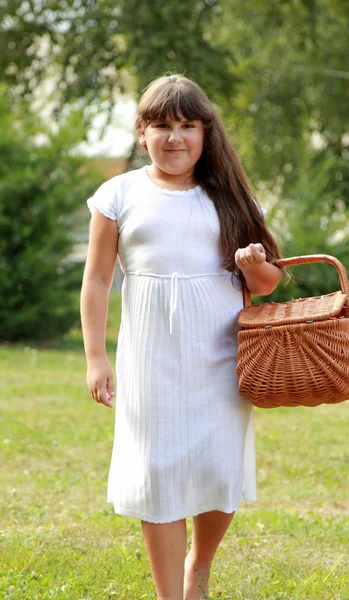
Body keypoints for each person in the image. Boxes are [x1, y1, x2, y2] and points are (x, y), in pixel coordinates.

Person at [80, 74, 283, 600]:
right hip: (150, 357)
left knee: (219, 467)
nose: (175, 138)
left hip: (220, 352)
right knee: (157, 474)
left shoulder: (230, 196)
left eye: (188, 126)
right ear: (141, 133)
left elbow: (265, 285)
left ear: (205, 134)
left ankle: (200, 564)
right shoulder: (118, 193)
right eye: (162, 126)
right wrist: (96, 357)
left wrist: (253, 264)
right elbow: (99, 278)